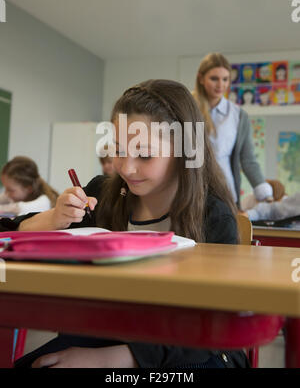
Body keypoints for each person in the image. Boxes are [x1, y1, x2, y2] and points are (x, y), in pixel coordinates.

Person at [11, 79, 249, 368]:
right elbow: (6, 233)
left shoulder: (213, 217)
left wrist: (113, 360)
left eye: (145, 154)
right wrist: (53, 218)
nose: (126, 167)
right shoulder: (101, 195)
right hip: (104, 333)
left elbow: (216, 325)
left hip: (191, 351)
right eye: (118, 150)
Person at [192, 53, 273, 207]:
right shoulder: (186, 107)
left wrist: (265, 193)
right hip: (191, 191)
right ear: (201, 78)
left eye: (225, 79)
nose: (220, 85)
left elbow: (248, 159)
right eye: (214, 78)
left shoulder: (238, 115)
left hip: (226, 193)